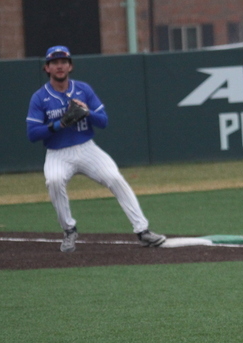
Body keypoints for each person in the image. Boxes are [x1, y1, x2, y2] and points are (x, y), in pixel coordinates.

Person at [26, 45, 166, 253]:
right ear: (47, 68)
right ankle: (69, 230)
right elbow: (32, 134)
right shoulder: (40, 97)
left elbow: (104, 121)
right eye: (54, 63)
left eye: (63, 61)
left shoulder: (83, 89)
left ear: (70, 65)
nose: (59, 66)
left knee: (115, 178)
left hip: (86, 148)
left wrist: (86, 112)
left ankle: (143, 231)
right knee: (54, 181)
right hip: (58, 153)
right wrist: (59, 125)